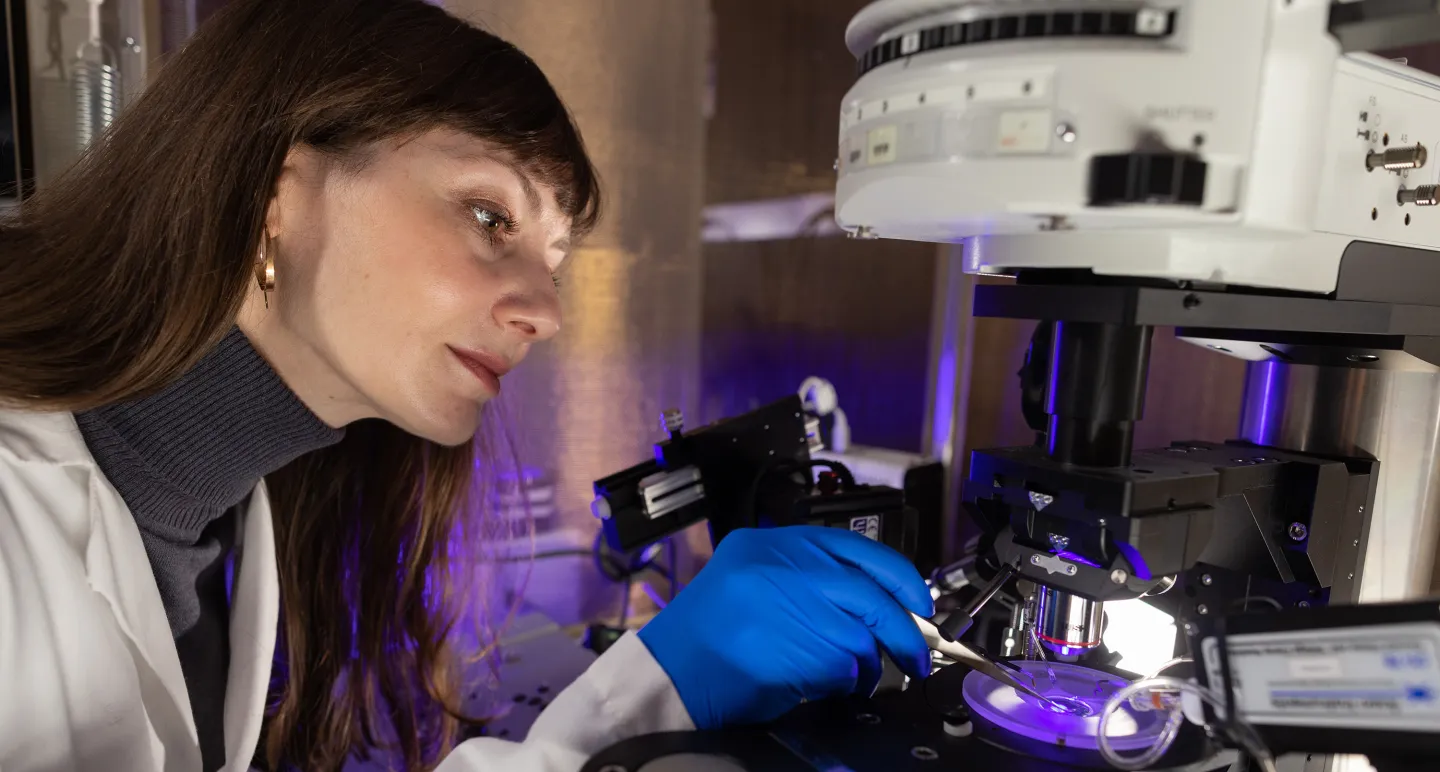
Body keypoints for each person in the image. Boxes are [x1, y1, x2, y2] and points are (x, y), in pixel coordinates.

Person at [0, 1, 935, 771]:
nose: (548, 313)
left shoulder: (239, 519)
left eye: (554, 263)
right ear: (275, 199)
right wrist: (650, 693)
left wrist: (653, 695)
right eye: (490, 216)